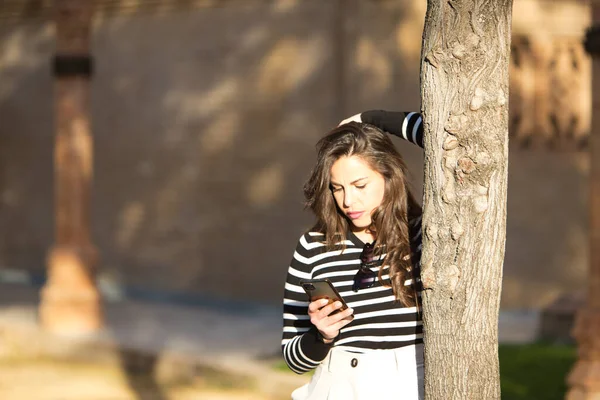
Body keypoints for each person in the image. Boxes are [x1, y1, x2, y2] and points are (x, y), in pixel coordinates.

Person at [281, 110, 425, 400]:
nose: (348, 201)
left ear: (389, 176)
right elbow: (293, 358)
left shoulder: (425, 234)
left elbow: (456, 142)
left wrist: (372, 119)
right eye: (337, 189)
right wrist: (321, 336)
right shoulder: (313, 246)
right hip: (337, 387)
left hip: (413, 384)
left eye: (360, 186)